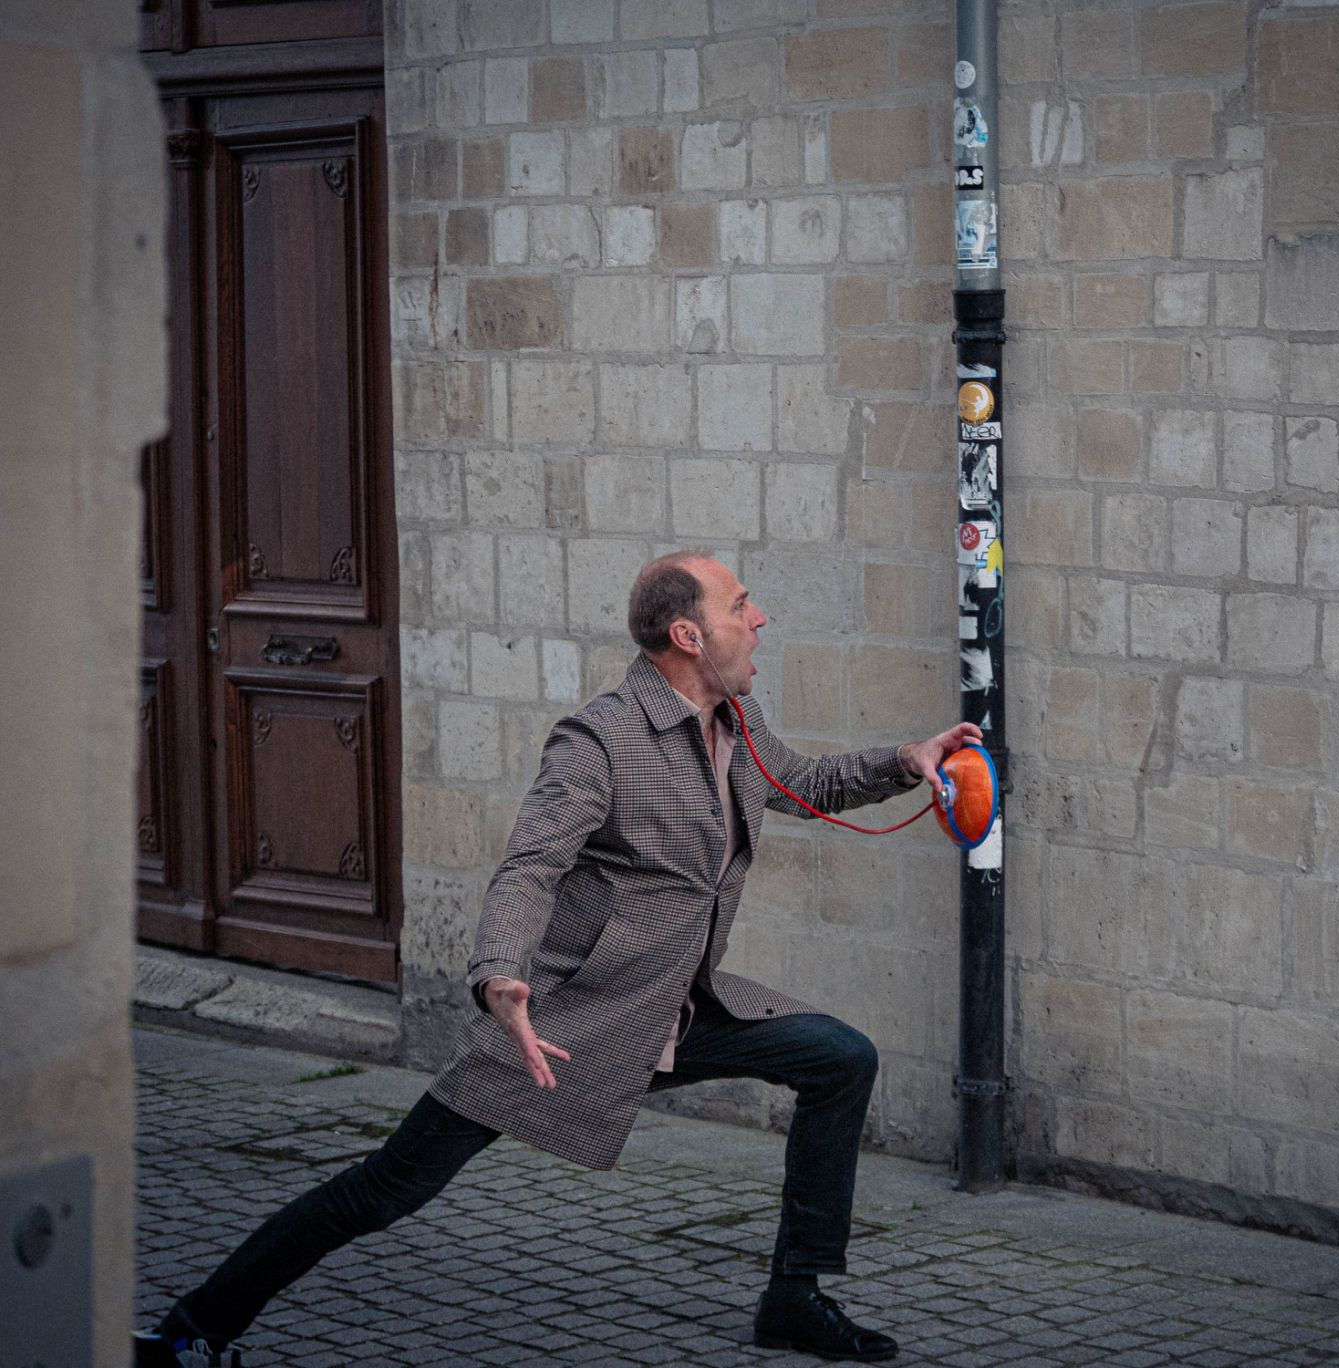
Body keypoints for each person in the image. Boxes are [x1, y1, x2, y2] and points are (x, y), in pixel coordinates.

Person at [136, 552, 981, 1367]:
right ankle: (192, 1329)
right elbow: (530, 864)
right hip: (570, 1026)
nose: (757, 619)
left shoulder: (738, 721)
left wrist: (905, 763)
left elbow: (805, 783)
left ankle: (794, 1298)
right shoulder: (599, 740)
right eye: (739, 606)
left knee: (838, 1058)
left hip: (679, 1012)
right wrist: (502, 975)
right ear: (689, 636)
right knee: (386, 1188)